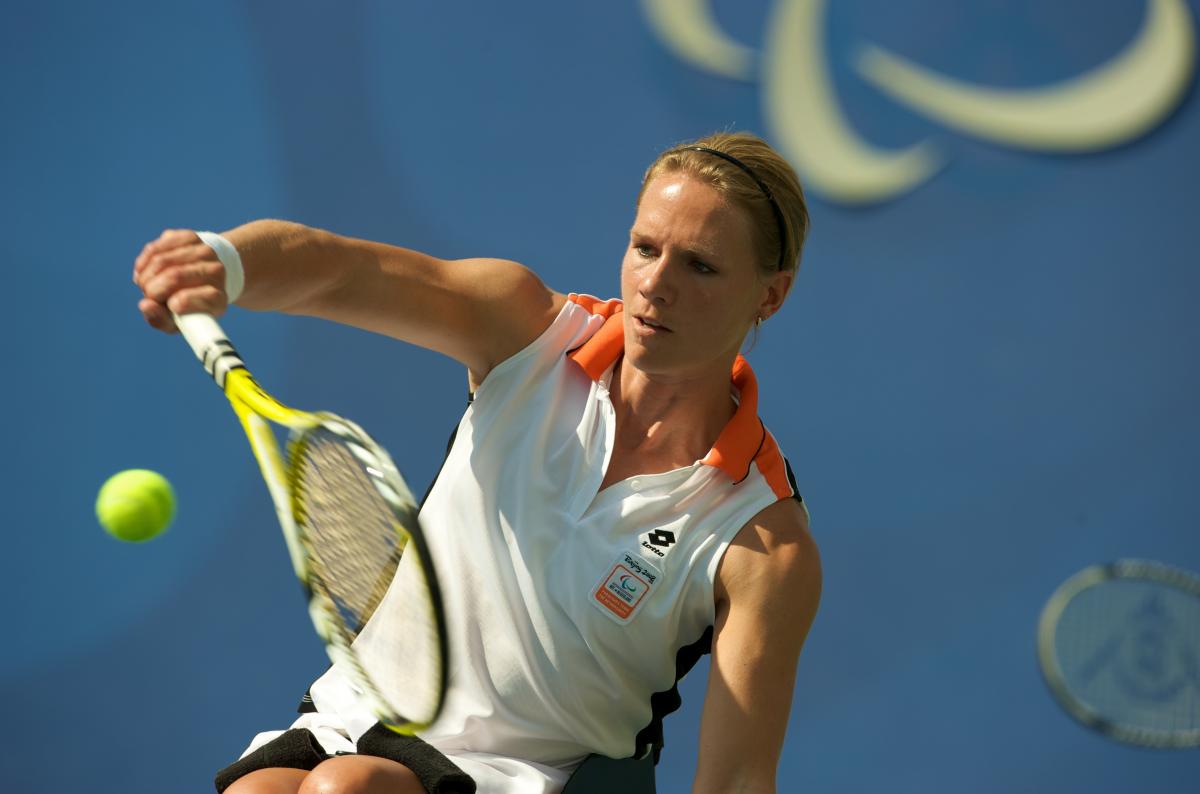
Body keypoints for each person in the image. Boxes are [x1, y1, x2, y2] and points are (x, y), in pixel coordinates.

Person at [133, 131, 822, 794]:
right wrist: (224, 260)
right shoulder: (526, 332)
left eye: (699, 265)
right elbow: (345, 271)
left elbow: (736, 780)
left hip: (529, 777)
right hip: (354, 716)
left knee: (347, 789)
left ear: (770, 294)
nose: (656, 284)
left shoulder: (762, 540)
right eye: (645, 248)